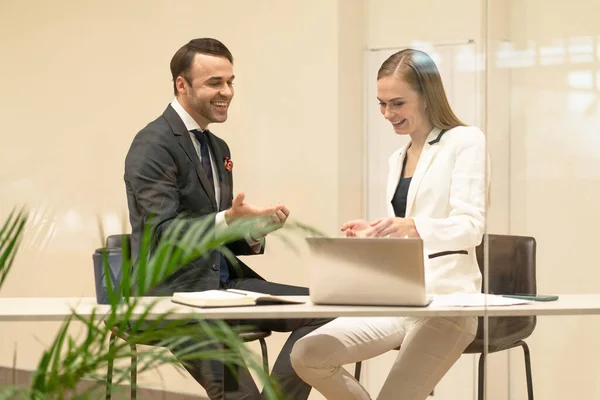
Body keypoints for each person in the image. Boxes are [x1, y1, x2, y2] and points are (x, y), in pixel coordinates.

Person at [124, 38, 329, 400]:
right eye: (215, 83)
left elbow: (217, 229)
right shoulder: (152, 145)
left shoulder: (218, 148)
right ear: (181, 84)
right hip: (176, 296)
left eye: (230, 81)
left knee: (327, 311)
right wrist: (225, 221)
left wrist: (250, 232)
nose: (227, 92)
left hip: (225, 287)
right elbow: (160, 237)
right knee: (241, 398)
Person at [290, 48, 488, 399]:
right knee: (307, 354)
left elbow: (471, 227)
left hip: (449, 305)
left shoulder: (465, 141)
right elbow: (404, 235)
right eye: (381, 103)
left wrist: (412, 226)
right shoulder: (397, 158)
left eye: (397, 103)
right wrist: (376, 234)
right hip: (400, 300)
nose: (387, 113)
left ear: (427, 97)